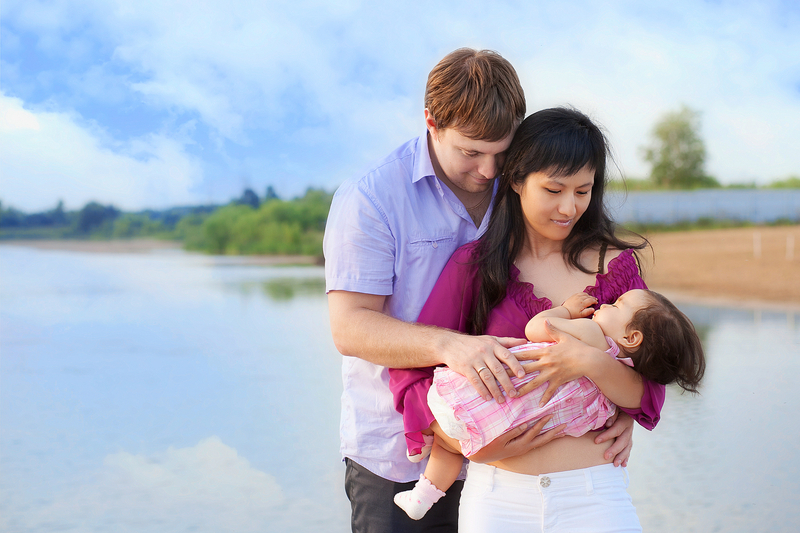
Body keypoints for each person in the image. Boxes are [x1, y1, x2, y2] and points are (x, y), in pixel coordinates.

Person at [324, 50, 636, 533]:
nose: (489, 171)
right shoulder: (371, 199)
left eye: (501, 152)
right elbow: (349, 328)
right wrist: (452, 347)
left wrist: (619, 401)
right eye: (471, 152)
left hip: (509, 472)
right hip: (403, 456)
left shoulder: (525, 184)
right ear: (431, 122)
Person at [388, 106, 670, 532]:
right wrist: (463, 443)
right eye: (553, 189)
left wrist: (592, 365)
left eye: (583, 190)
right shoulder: (476, 266)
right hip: (496, 499)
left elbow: (652, 382)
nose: (568, 207)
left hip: (594, 497)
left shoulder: (617, 270)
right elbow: (412, 368)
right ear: (517, 179)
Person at [393, 289, 706, 520]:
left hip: (488, 406)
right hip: (508, 434)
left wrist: (566, 310)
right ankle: (424, 495)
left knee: (448, 445)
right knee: (451, 446)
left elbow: (536, 329)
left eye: (616, 305)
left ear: (632, 337)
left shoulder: (593, 334)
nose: (605, 304)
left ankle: (425, 488)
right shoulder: (619, 382)